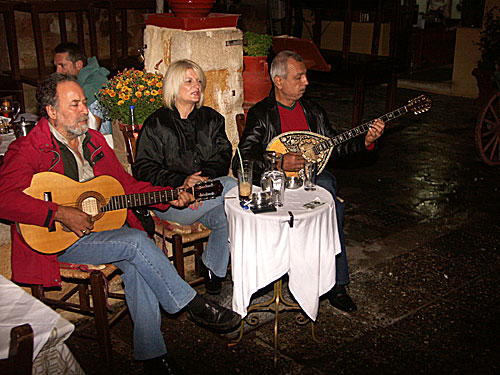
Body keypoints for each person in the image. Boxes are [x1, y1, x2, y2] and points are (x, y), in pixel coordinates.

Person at [0, 73, 240, 373]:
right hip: (57, 240)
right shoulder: (28, 149)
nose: (85, 111)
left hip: (99, 232)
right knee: (136, 242)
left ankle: (151, 357)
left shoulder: (95, 141)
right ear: (51, 111)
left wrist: (169, 196)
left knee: (138, 261)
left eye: (84, 103)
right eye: (74, 105)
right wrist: (59, 213)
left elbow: (127, 186)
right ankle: (193, 305)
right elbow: (4, 199)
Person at [233, 50, 385, 313]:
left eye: (305, 76)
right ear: (278, 81)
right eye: (299, 77)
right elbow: (242, 162)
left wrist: (366, 142)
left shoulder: (314, 111)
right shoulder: (261, 114)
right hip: (276, 183)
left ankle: (337, 284)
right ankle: (275, 270)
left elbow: (335, 147)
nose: (306, 82)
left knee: (333, 204)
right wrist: (278, 164)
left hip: (311, 178)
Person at [133, 59, 237, 295]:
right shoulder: (157, 123)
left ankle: (212, 271)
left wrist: (202, 181)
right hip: (172, 201)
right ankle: (253, 257)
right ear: (173, 85)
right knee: (232, 186)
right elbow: (143, 168)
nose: (196, 86)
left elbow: (223, 154)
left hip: (207, 196)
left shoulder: (212, 119)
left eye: (199, 81)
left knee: (228, 216)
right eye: (189, 81)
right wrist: (182, 181)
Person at [53, 42, 113, 140]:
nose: (58, 71)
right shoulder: (78, 82)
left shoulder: (95, 84)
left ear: (78, 65)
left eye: (62, 66)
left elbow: (92, 128)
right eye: (56, 66)